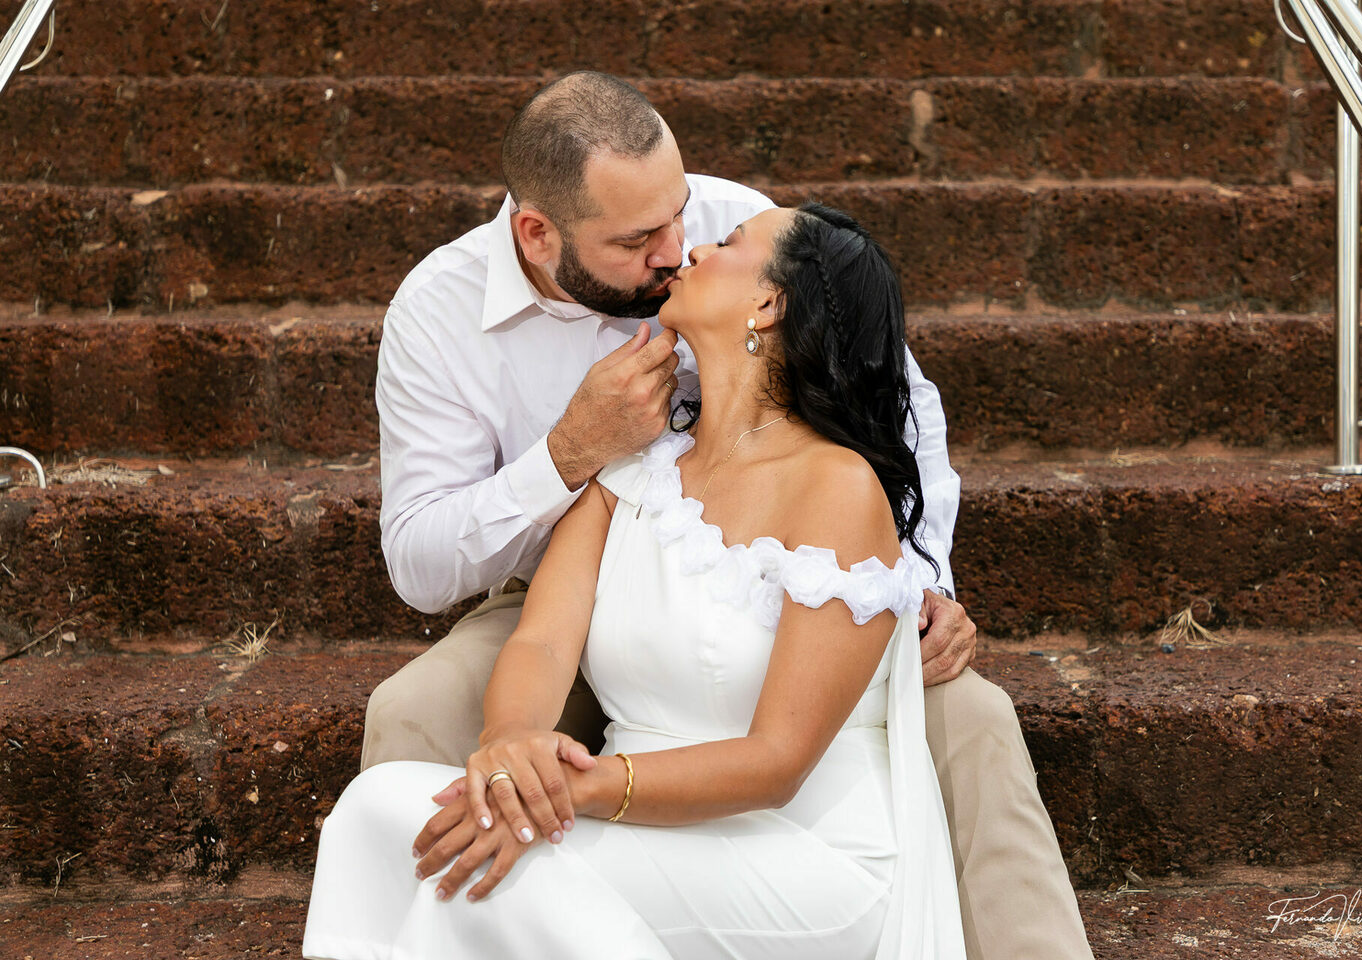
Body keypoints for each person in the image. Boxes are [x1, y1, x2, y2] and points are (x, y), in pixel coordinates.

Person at [355, 72, 1092, 959]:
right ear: (538, 233)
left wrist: (919, 578)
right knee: (408, 734)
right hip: (570, 587)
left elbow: (892, 400)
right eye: (640, 239)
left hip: (788, 603)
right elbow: (430, 573)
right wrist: (568, 453)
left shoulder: (739, 236)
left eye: (686, 218)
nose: (679, 248)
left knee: (971, 720)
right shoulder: (440, 315)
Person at [305, 201, 965, 959]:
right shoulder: (634, 466)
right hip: (628, 826)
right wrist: (510, 747)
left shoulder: (838, 487)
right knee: (371, 812)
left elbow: (778, 762)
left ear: (769, 302)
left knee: (492, 873)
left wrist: (570, 791)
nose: (691, 248)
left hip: (797, 849)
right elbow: (546, 640)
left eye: (729, 242)